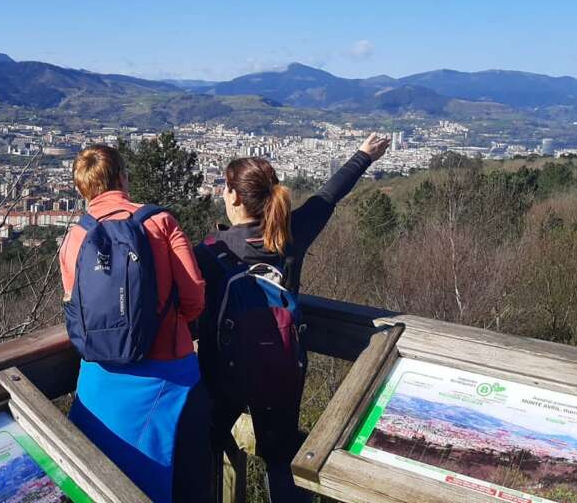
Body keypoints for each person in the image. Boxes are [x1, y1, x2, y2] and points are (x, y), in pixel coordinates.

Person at [196, 133, 391, 503]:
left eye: (224, 187)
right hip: (281, 369)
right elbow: (327, 197)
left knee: (206, 443)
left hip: (223, 372)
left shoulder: (210, 252)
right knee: (282, 458)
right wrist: (364, 156)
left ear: (234, 196)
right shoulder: (289, 236)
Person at [59, 144, 210, 503]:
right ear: (123, 178)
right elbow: (194, 299)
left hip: (99, 380)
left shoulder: (75, 236)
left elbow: (73, 307)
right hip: (167, 375)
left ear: (82, 188)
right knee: (176, 481)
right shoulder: (159, 222)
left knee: (95, 482)